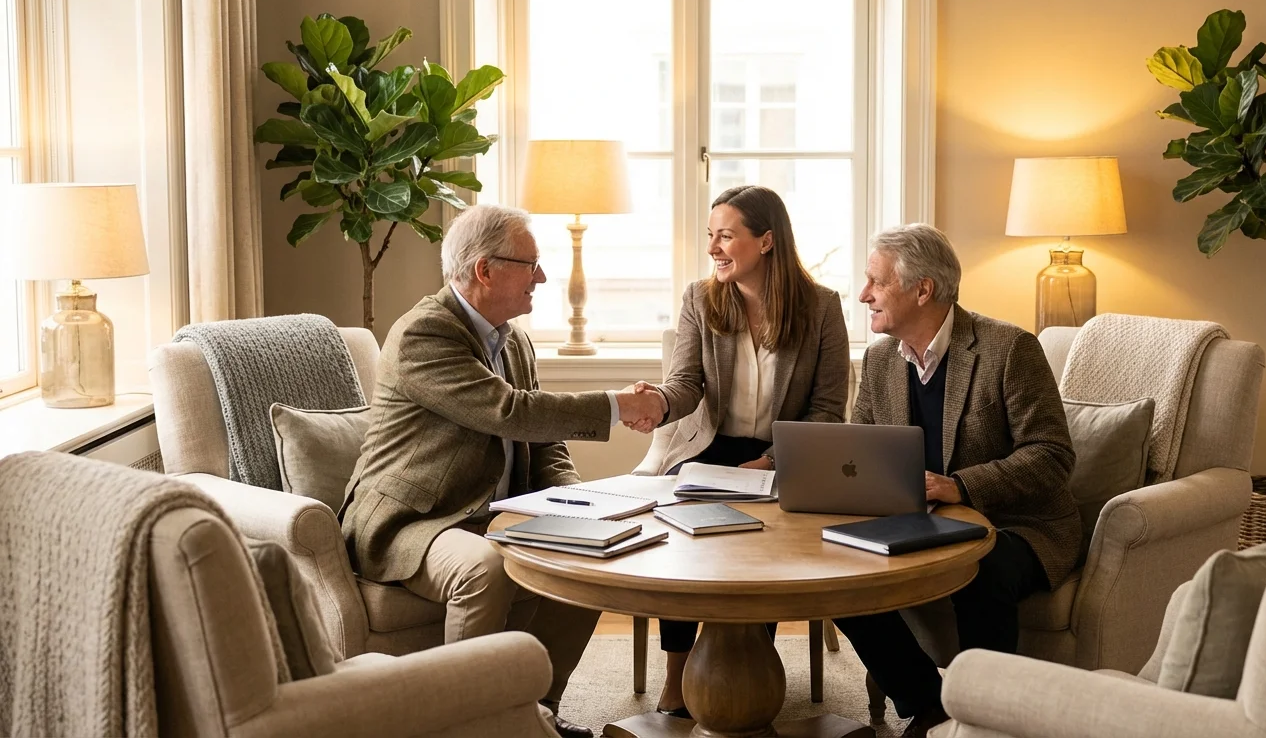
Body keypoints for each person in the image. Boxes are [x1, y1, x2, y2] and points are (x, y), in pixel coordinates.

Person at [341, 204, 665, 738]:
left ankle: (537, 715)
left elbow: (547, 443)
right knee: (485, 568)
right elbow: (509, 411)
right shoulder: (425, 333)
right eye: (530, 263)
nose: (541, 276)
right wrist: (617, 404)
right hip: (415, 521)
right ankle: (469, 725)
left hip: (487, 515)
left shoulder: (512, 336)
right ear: (485, 269)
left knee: (590, 564)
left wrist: (580, 507)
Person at [831, 223, 1081, 737]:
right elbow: (862, 451)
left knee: (981, 570)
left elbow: (1052, 456)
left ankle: (985, 720)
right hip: (918, 520)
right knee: (836, 577)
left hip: (1017, 525)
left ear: (923, 289)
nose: (863, 295)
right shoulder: (879, 359)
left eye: (876, 282)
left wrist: (960, 487)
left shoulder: (1008, 349)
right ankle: (932, 709)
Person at [629, 185, 851, 717]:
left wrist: (774, 460)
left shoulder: (822, 308)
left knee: (766, 532)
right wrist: (657, 400)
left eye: (726, 236)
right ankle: (677, 670)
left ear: (767, 240)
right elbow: (684, 384)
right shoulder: (701, 299)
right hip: (713, 447)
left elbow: (826, 409)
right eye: (711, 236)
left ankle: (752, 658)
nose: (713, 248)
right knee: (679, 528)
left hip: (785, 450)